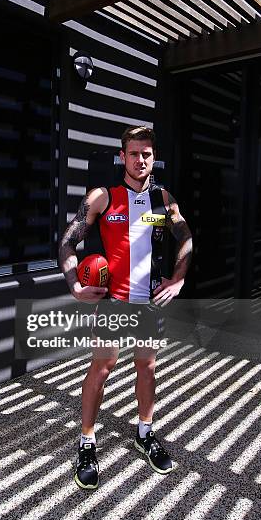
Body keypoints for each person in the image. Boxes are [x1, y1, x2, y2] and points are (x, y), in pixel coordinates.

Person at [58, 126, 193, 489]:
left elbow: (185, 237)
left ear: (153, 157)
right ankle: (87, 441)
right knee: (102, 368)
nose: (140, 160)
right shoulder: (103, 197)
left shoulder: (163, 201)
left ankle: (144, 433)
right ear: (123, 156)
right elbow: (68, 242)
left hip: (146, 302)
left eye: (146, 153)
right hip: (114, 302)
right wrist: (74, 285)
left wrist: (178, 279)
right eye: (134, 153)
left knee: (147, 368)